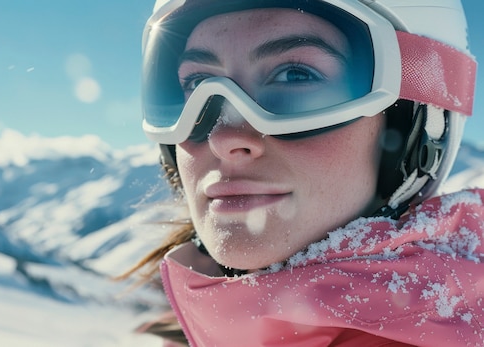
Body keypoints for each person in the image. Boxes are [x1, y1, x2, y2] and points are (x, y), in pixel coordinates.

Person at [122, 0, 481, 346]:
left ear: (413, 128)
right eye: (197, 83)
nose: (224, 138)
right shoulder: (190, 331)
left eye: (295, 75)